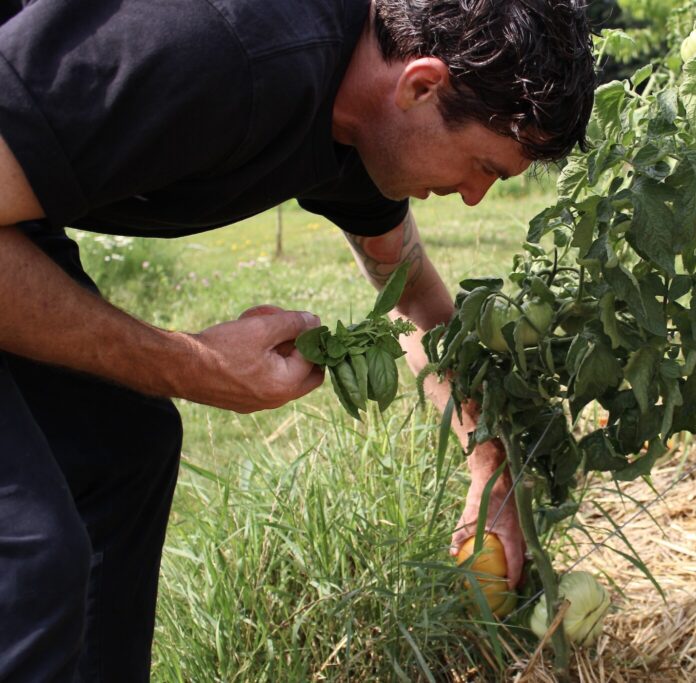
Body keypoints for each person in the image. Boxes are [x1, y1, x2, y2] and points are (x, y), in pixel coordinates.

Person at [0, 0, 595, 679]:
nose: (473, 197)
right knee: (31, 553)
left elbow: (411, 294)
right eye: (483, 166)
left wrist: (489, 465)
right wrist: (189, 364)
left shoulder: (363, 120)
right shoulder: (222, 51)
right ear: (421, 86)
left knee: (123, 449)